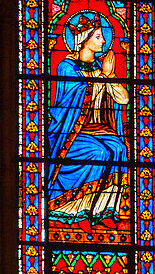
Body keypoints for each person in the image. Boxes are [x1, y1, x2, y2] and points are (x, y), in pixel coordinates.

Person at [47, 15, 129, 232]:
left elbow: (124, 99)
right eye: (99, 37)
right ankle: (75, 212)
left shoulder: (99, 69)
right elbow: (75, 95)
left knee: (120, 149)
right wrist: (103, 76)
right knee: (98, 153)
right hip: (70, 132)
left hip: (98, 130)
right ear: (84, 39)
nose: (103, 42)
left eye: (103, 37)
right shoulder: (66, 67)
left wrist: (110, 76)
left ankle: (103, 211)